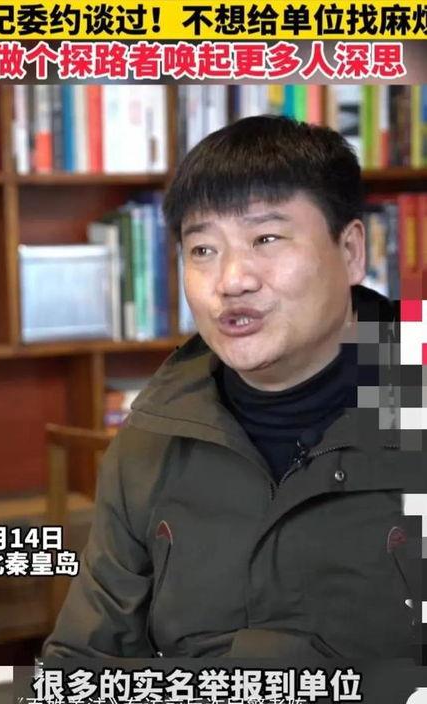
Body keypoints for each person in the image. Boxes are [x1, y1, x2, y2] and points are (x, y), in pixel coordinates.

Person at [44, 115, 420, 662]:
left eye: (266, 238)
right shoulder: (152, 436)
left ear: (350, 251)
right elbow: (84, 662)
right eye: (203, 250)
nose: (231, 280)